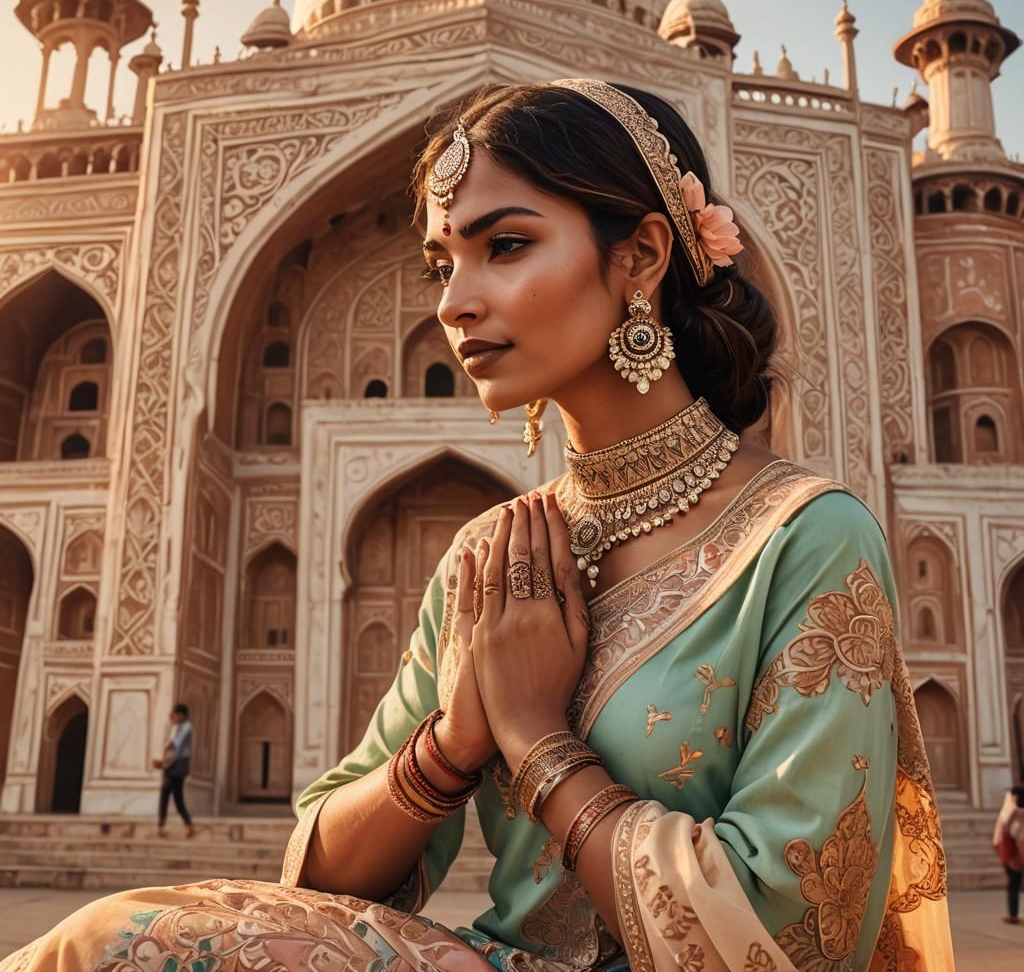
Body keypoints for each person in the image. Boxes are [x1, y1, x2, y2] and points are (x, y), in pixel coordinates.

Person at [0, 80, 955, 971]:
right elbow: (324, 885)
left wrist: (538, 745)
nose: (455, 302)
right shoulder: (494, 558)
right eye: (440, 260)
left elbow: (788, 936)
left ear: (644, 255)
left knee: (112, 947)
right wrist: (455, 741)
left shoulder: (804, 537)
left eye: (504, 246)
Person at [152, 702, 195, 839]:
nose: (173, 717)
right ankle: (182, 825)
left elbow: (177, 746)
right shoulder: (176, 727)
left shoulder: (187, 727)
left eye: (175, 715)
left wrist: (163, 763)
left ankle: (166, 826)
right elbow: (170, 746)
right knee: (171, 795)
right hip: (171, 764)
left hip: (178, 764)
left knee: (173, 795)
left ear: (181, 715)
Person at [993, 781, 1024, 923]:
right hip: (1016, 855)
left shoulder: (1015, 813)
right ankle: (1013, 914)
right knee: (1013, 884)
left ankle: (1013, 914)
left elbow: (1009, 833)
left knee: (1013, 885)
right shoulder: (1015, 814)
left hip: (1015, 856)